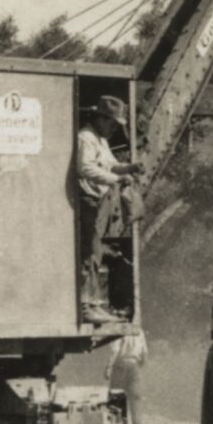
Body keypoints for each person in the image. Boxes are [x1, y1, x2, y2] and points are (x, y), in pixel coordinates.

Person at [75, 96, 139, 322]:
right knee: (89, 253)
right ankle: (85, 306)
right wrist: (114, 179)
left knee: (96, 252)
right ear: (100, 118)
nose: (113, 128)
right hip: (88, 200)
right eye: (112, 123)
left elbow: (111, 163)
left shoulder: (101, 141)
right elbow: (85, 168)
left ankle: (93, 303)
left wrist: (129, 168)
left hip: (98, 202)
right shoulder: (85, 138)